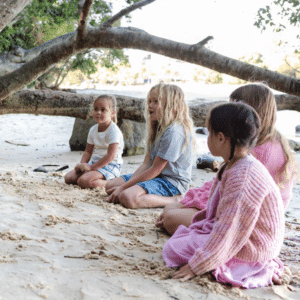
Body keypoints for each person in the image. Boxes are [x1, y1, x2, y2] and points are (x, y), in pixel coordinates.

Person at [162, 102, 285, 288]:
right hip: (242, 235)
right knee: (182, 237)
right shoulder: (234, 163)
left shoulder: (242, 176)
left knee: (174, 249)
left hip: (252, 245)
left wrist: (196, 267)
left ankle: (252, 267)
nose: (208, 138)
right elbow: (217, 213)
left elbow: (230, 230)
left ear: (221, 138)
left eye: (209, 133)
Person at [156, 82, 299, 235]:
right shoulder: (262, 140)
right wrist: (188, 202)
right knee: (171, 210)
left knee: (171, 218)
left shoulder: (260, 152)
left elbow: (234, 200)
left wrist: (187, 207)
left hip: (249, 223)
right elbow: (219, 185)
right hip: (235, 210)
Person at [105, 83, 194, 209]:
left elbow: (155, 169)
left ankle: (175, 200)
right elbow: (146, 165)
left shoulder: (174, 132)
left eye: (156, 101)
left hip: (171, 182)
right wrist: (125, 185)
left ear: (172, 106)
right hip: (155, 176)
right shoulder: (158, 127)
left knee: (127, 197)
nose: (150, 105)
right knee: (110, 186)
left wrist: (124, 188)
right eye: (150, 101)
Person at [64, 94, 124, 189]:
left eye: (103, 110)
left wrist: (92, 168)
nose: (98, 112)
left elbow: (111, 156)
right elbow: (88, 151)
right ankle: (94, 176)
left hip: (110, 165)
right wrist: (82, 165)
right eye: (96, 109)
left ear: (112, 113)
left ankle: (113, 182)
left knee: (83, 181)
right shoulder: (93, 129)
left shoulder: (113, 131)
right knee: (69, 178)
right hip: (94, 163)